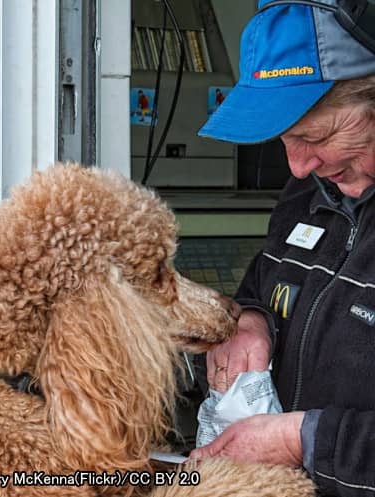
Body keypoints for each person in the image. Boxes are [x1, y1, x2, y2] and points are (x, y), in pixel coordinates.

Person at [187, 1, 375, 496]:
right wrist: (250, 320)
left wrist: (303, 441)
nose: (296, 166)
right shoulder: (309, 191)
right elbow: (264, 283)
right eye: (285, 140)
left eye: (315, 136)